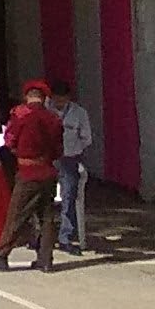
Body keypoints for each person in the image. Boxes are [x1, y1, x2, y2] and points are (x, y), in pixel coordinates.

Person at [0, 81, 63, 271]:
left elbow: (9, 141)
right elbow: (59, 149)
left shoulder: (21, 115)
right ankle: (45, 259)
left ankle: (0, 256)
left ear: (27, 96)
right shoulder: (54, 118)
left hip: (28, 172)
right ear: (44, 98)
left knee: (16, 215)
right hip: (48, 171)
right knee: (47, 216)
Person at [56, 82, 99, 255]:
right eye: (55, 99)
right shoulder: (46, 111)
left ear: (68, 98)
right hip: (50, 158)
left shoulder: (79, 113)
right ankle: (39, 236)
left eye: (61, 99)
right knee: (41, 196)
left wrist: (74, 149)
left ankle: (65, 236)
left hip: (69, 158)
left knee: (69, 194)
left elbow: (86, 138)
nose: (58, 102)